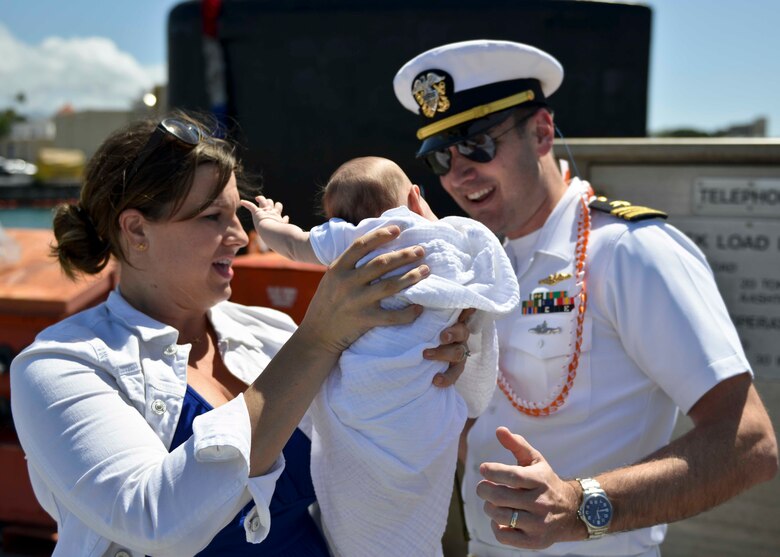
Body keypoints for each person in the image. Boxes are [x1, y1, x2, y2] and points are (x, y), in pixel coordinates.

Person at [9, 112, 473, 557]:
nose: (239, 235)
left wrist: (428, 350)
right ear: (136, 231)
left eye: (237, 214)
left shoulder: (271, 331)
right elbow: (155, 521)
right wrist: (318, 338)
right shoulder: (58, 366)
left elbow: (382, 434)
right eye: (212, 217)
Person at [393, 39, 778, 557]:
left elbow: (749, 444)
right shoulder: (486, 269)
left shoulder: (628, 251)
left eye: (480, 142)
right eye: (443, 155)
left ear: (542, 133)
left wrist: (578, 507)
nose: (460, 172)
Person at [241, 155, 520, 556]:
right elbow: (476, 303)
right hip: (423, 396)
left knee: (364, 511)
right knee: (415, 485)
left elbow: (292, 245)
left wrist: (269, 222)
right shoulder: (449, 241)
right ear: (415, 196)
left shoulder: (353, 239)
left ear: (336, 219)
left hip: (371, 395)